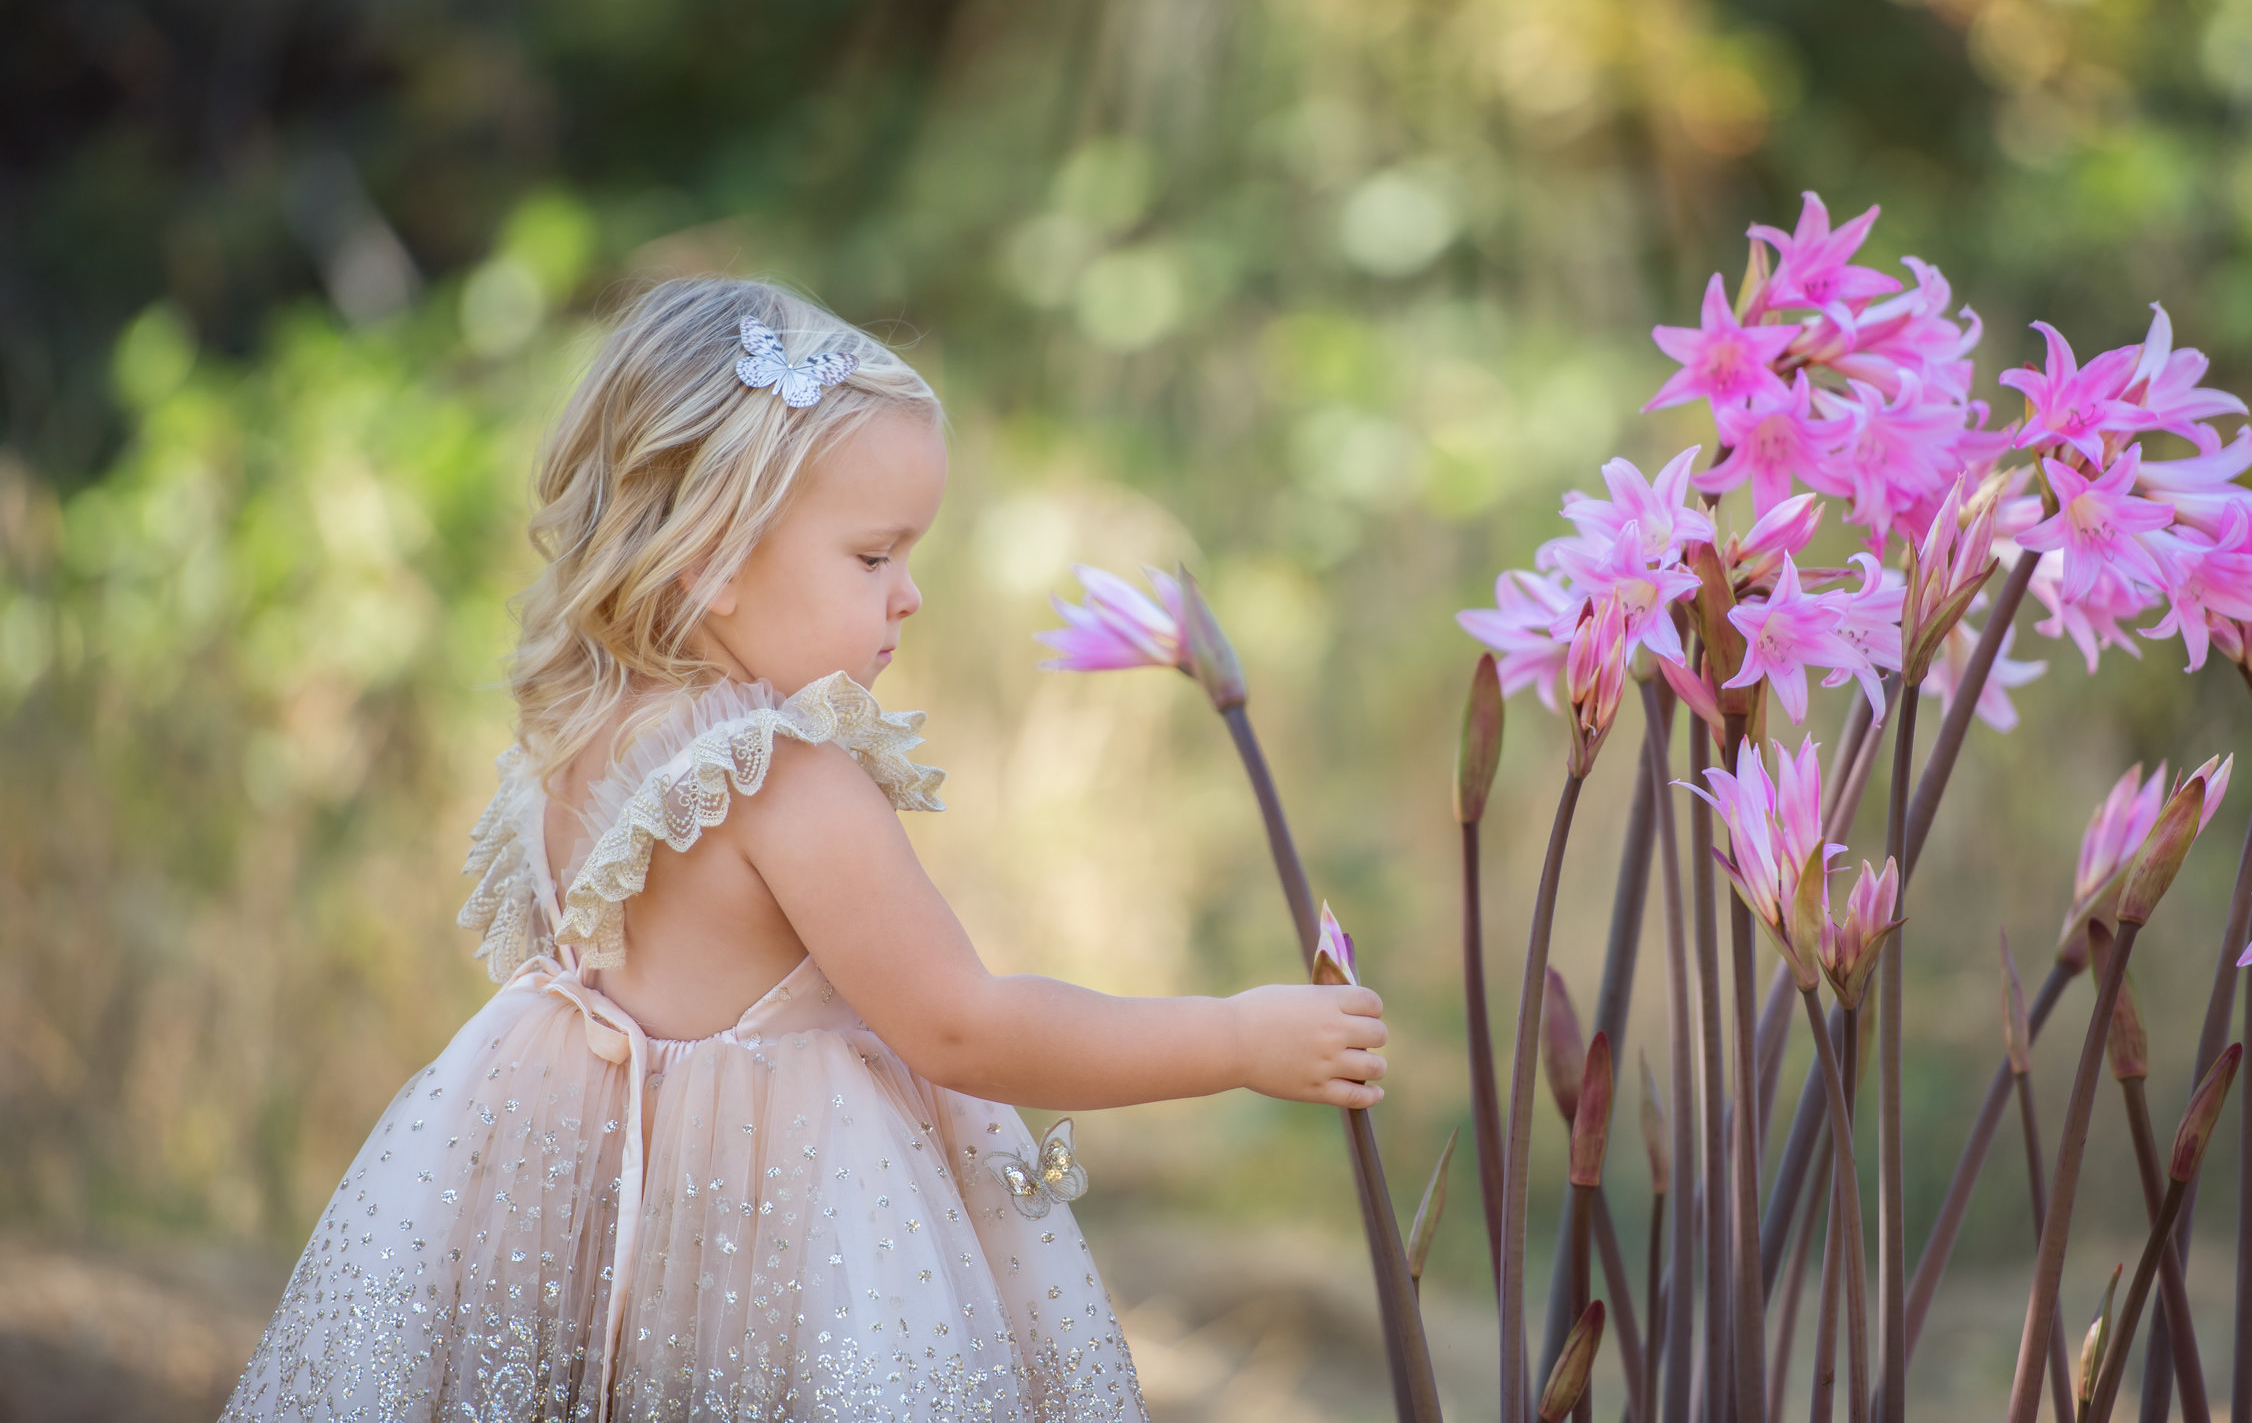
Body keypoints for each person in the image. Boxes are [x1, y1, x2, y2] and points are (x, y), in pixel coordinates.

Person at [221, 278, 1390, 1422]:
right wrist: (1236, 1036)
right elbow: (960, 1025)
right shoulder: (783, 778)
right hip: (788, 1243)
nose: (911, 596)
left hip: (609, 1226)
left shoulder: (575, 743)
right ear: (711, 559)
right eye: (874, 557)